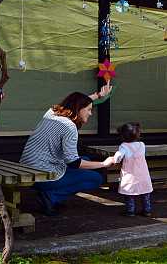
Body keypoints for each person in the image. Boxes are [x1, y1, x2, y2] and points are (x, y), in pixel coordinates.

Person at [20, 83, 112, 216]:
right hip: (42, 176)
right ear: (79, 109)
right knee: (95, 178)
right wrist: (104, 163)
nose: (91, 113)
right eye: (89, 109)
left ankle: (49, 193)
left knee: (86, 160)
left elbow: (75, 102)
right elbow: (73, 162)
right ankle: (50, 197)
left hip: (27, 168)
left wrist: (98, 95)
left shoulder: (52, 112)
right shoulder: (70, 127)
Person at [103, 122, 153, 217]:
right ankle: (147, 210)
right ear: (137, 134)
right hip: (143, 174)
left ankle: (130, 211)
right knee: (145, 194)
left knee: (129, 195)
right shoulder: (142, 145)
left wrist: (114, 160)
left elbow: (118, 157)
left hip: (130, 175)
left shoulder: (124, 146)